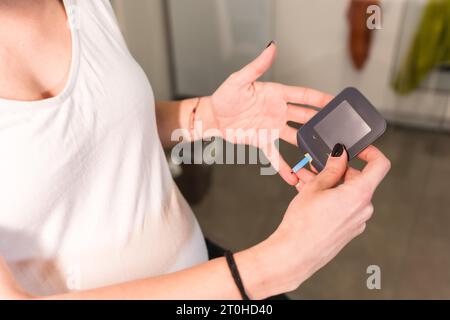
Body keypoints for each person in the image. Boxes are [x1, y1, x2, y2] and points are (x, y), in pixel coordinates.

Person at [0, 0, 390, 299]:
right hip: (233, 282)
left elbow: (91, 130)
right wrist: (272, 266)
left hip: (202, 266)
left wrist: (208, 116)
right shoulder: (257, 271)